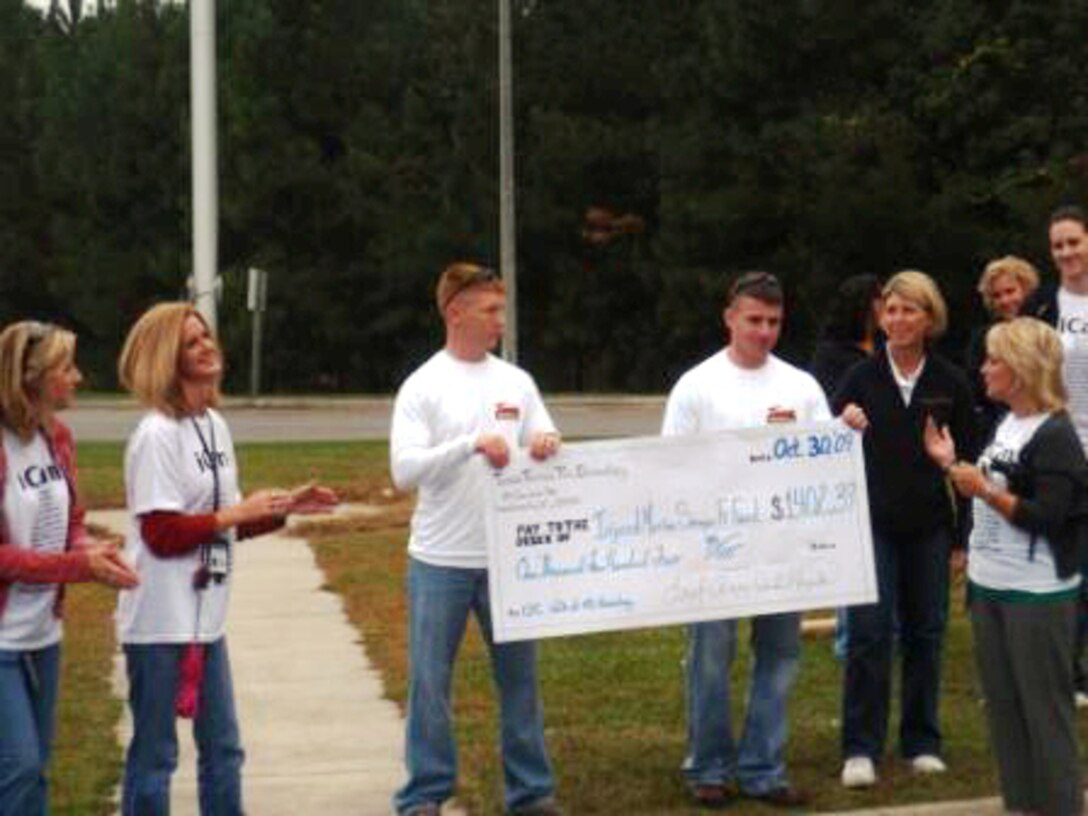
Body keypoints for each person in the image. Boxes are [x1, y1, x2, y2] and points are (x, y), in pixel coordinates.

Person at [115, 302, 336, 816]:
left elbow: (226, 525)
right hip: (158, 624)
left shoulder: (213, 425)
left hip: (206, 620)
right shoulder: (156, 435)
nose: (207, 346)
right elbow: (162, 534)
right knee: (155, 758)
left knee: (224, 751)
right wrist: (235, 512)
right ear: (166, 357)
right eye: (192, 342)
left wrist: (284, 509)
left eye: (207, 336)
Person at [390, 262, 564, 816]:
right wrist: (468, 444)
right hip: (440, 560)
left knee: (520, 683)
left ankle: (531, 792)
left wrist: (544, 441)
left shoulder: (516, 382)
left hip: (507, 560)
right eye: (490, 310)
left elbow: (546, 430)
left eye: (501, 309)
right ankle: (425, 794)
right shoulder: (423, 385)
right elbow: (403, 469)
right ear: (455, 311)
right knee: (430, 685)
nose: (500, 321)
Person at [662, 270, 829, 809]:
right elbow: (670, 465)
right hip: (715, 550)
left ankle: (764, 767)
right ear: (730, 317)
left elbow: (826, 459)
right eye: (754, 320)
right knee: (710, 657)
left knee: (779, 656)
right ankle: (707, 766)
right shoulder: (696, 386)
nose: (764, 331)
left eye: (774, 322)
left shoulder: (801, 387)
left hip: (782, 547)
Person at [925, 317, 1085, 816]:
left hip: (1036, 595)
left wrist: (985, 491)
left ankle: (1059, 806)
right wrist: (950, 463)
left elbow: (1048, 515)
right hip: (990, 586)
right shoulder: (1007, 422)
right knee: (1006, 711)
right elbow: (986, 482)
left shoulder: (1057, 434)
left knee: (1045, 713)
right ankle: (1021, 804)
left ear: (1020, 369)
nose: (984, 368)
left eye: (995, 360)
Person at [835, 270, 975, 788]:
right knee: (869, 634)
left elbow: (970, 466)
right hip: (869, 525)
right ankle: (859, 747)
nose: (897, 319)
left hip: (930, 528)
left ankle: (921, 741)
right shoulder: (858, 379)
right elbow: (823, 448)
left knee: (926, 632)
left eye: (909, 310)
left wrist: (962, 539)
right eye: (890, 310)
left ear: (929, 317)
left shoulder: (950, 382)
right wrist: (840, 421)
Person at [0, 320, 139, 814]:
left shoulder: (58, 439)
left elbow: (71, 522)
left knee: (35, 767)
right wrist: (77, 565)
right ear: (32, 378)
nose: (78, 377)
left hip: (42, 634)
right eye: (67, 368)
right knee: (16, 766)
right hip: (2, 642)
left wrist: (92, 550)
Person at [1023, 204, 1088, 704]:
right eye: (1058, 246)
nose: (1067, 252)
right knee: (1065, 560)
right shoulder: (1043, 305)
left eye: (1074, 241)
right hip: (1062, 447)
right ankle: (1065, 668)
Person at [809, 273, 883, 659]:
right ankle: (848, 637)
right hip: (848, 460)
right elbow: (828, 407)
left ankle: (886, 629)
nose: (886, 305)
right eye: (879, 298)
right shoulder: (833, 352)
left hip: (886, 460)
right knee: (853, 548)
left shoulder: (885, 345)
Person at [965, 256, 1040, 443]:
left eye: (1010, 291)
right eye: (997, 295)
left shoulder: (1047, 329)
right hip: (1000, 429)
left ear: (1026, 289)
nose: (1005, 300)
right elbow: (976, 390)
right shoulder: (982, 339)